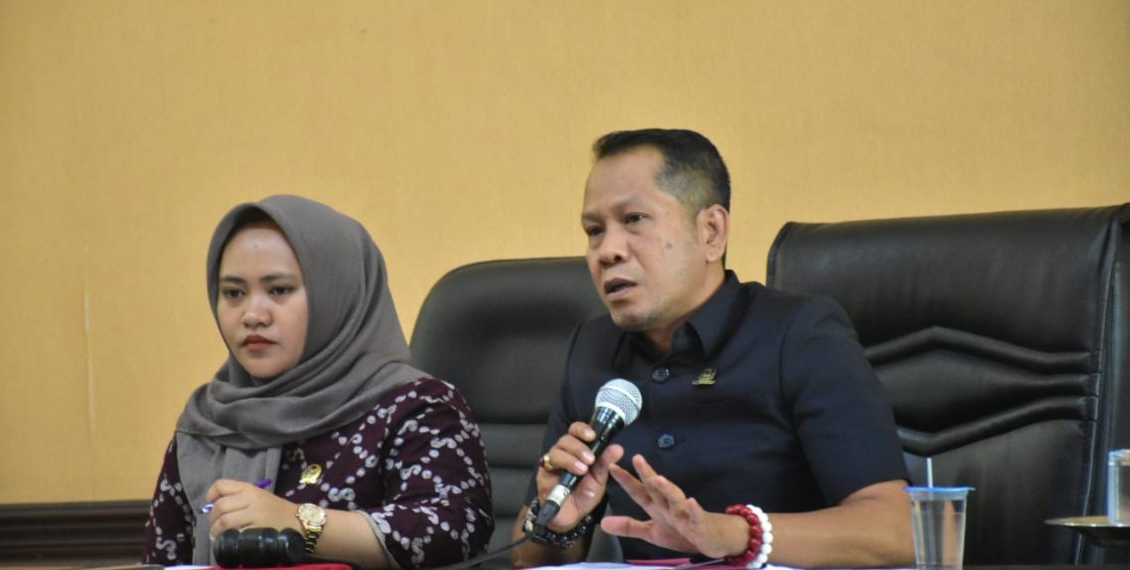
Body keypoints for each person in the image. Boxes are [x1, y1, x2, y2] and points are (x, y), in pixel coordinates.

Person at [511, 129, 914, 569]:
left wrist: (736, 534)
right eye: (594, 230)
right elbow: (527, 559)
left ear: (711, 232)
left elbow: (897, 529)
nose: (607, 251)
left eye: (635, 219)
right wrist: (557, 521)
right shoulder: (591, 348)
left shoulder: (798, 333)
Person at [143, 195, 493, 568]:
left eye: (279, 290)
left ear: (336, 294)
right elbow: (162, 560)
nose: (253, 315)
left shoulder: (416, 407)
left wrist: (302, 523)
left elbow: (454, 532)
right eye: (233, 293)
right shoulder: (208, 424)